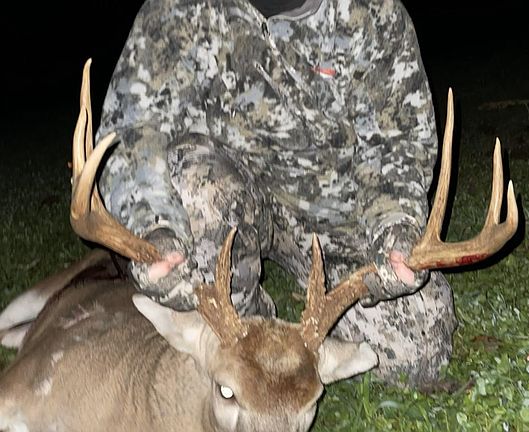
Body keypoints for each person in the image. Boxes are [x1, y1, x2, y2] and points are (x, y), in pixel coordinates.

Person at [96, 0, 457, 386]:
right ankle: (240, 330)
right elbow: (133, 129)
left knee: (415, 347)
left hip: (332, 215)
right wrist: (154, 226)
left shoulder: (371, 12)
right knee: (195, 186)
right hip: (220, 206)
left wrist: (394, 227)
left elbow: (396, 143)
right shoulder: (178, 11)